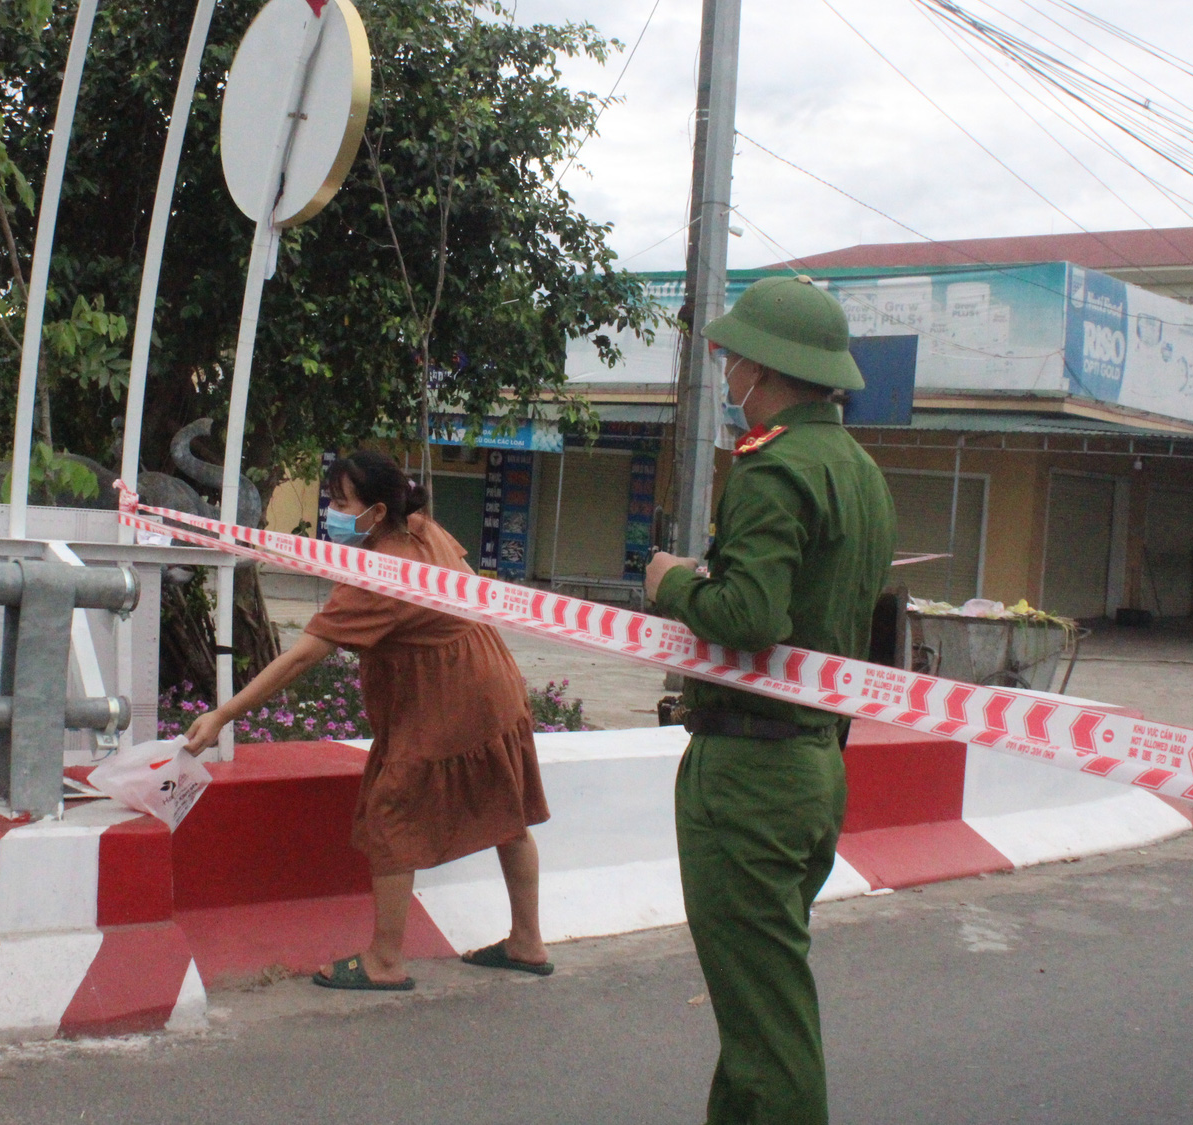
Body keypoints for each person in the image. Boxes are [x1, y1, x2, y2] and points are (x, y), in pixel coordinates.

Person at [642, 275, 897, 1125]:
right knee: (760, 1006)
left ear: (765, 366)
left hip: (750, 773)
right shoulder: (858, 471)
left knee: (766, 1026)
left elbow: (749, 616)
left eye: (731, 356)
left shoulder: (775, 464)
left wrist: (675, 583)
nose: (725, 369)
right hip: (815, 761)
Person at [184, 450, 552, 991]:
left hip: (446, 701)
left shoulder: (377, 579)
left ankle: (383, 960)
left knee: (390, 817)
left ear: (376, 512)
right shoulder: (424, 530)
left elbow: (302, 657)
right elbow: (466, 586)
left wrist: (224, 715)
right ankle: (527, 942)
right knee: (507, 812)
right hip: (492, 680)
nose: (330, 513)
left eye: (339, 502)